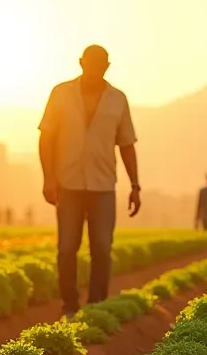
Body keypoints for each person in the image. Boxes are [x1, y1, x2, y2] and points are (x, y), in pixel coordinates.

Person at [39, 45, 141, 315]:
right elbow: (46, 137)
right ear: (81, 63)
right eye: (90, 63)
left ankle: (96, 304)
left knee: (102, 248)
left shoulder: (118, 99)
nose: (95, 69)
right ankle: (70, 305)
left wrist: (135, 185)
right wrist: (48, 178)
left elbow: (127, 144)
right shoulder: (61, 93)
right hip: (68, 183)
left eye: (100, 64)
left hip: (103, 185)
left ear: (107, 66)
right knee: (67, 248)